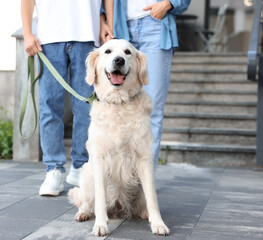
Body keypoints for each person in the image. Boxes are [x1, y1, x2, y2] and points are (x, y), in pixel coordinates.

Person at [21, 0, 112, 196]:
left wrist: (107, 23)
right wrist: (28, 33)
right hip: (49, 37)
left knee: (87, 107)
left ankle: (81, 167)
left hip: (88, 35)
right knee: (49, 106)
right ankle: (53, 169)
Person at [104, 0, 191, 167]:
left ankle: (145, 181)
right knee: (118, 107)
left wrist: (169, 3)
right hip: (121, 28)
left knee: (152, 108)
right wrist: (106, 21)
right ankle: (122, 175)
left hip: (155, 26)